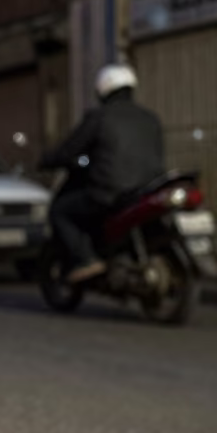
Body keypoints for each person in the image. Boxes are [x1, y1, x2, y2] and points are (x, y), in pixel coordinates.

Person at [40, 63, 165, 284]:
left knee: (60, 211)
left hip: (110, 192)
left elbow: (69, 150)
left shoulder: (99, 117)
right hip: (147, 190)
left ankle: (86, 259)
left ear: (102, 89)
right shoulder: (150, 118)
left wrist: (48, 160)